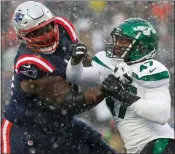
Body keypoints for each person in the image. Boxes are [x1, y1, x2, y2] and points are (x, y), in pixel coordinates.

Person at [1, 1, 118, 154]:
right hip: (25, 130)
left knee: (103, 150)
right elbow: (72, 103)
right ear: (22, 36)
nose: (46, 35)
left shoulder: (63, 27)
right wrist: (106, 89)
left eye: (48, 27)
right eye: (36, 32)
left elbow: (87, 61)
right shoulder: (29, 64)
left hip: (59, 123)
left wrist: (111, 71)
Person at [66, 18, 175, 153]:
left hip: (160, 143)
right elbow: (76, 77)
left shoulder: (151, 70)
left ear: (141, 46)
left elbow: (161, 115)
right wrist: (75, 62)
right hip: (137, 148)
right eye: (116, 40)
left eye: (123, 41)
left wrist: (123, 94)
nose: (117, 45)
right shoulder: (110, 65)